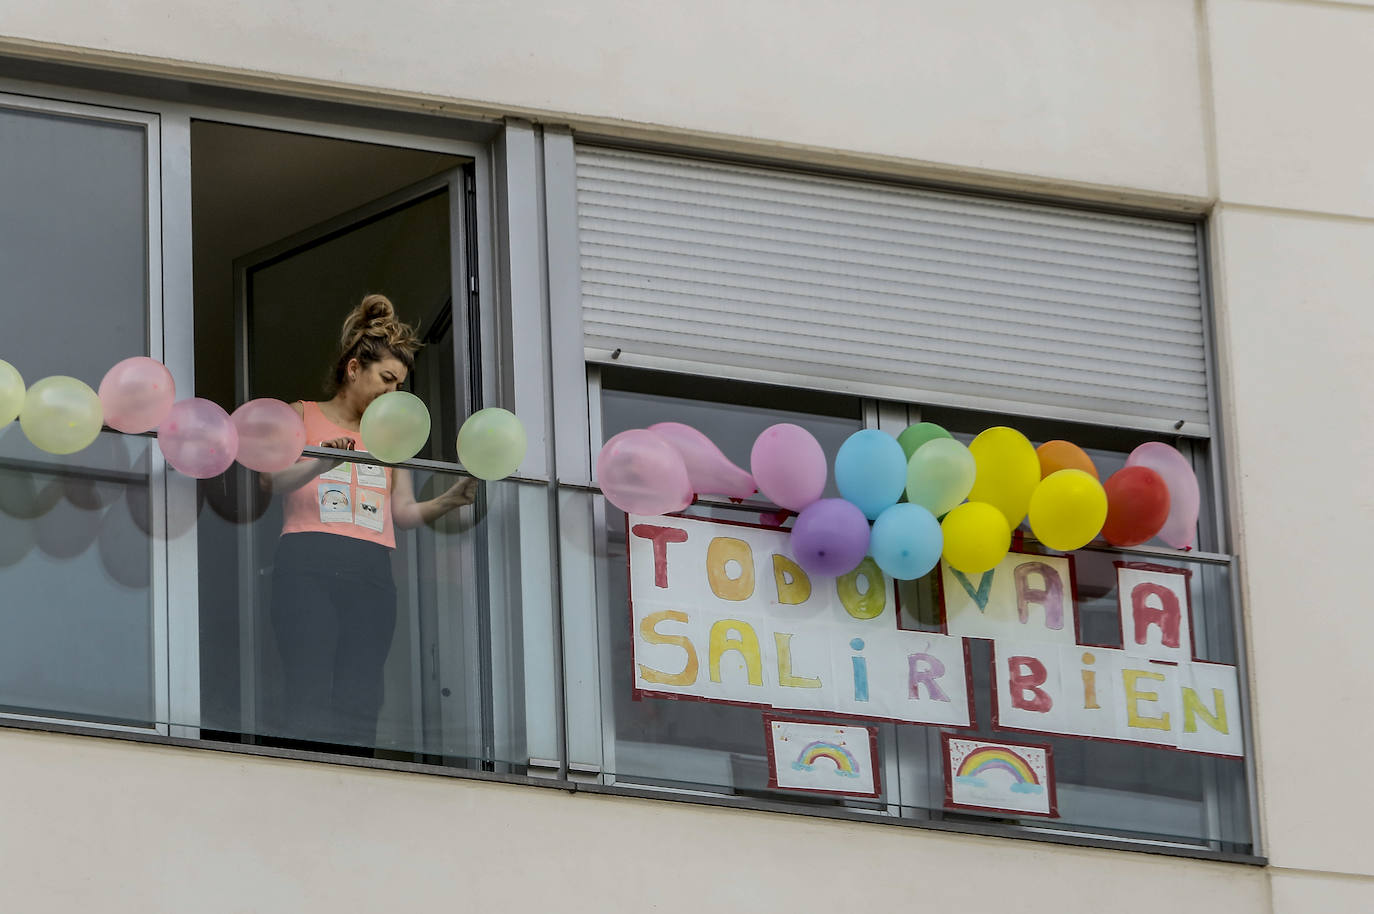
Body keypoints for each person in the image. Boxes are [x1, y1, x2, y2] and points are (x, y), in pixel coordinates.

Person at [264, 293, 478, 750]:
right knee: (308, 684)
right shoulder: (302, 414)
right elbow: (271, 480)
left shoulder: (393, 437)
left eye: (400, 385)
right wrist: (320, 464)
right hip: (308, 561)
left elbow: (402, 513)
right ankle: (303, 776)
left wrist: (449, 500)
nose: (392, 394)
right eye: (386, 379)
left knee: (362, 694)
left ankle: (354, 779)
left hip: (372, 572)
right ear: (353, 368)